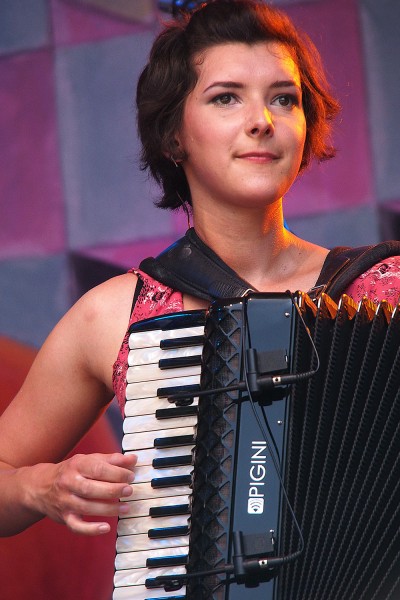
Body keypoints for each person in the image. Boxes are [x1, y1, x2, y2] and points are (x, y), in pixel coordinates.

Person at [0, 0, 399, 543]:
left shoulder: (385, 287)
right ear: (174, 135)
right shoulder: (113, 316)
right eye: (226, 98)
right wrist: (39, 486)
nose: (262, 121)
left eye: (284, 99)